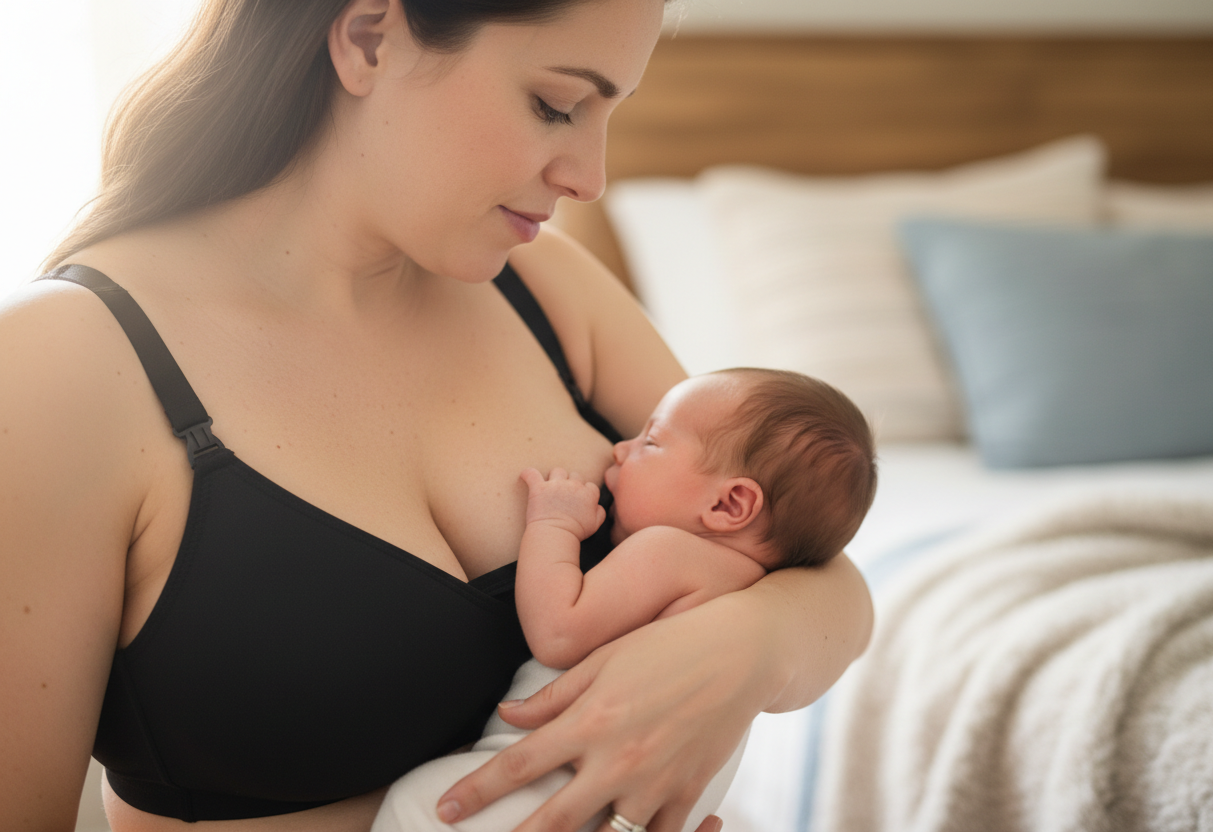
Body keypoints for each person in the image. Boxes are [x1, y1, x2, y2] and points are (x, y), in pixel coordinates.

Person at [0, 1, 874, 830]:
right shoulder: (62, 360)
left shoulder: (547, 287)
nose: (590, 178)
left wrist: (743, 648)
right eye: (557, 104)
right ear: (369, 38)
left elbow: (822, 570)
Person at [372, 368, 877, 831]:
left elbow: (559, 632)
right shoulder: (754, 582)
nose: (619, 448)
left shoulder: (668, 551)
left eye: (650, 441)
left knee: (418, 808)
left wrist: (554, 524)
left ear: (729, 504)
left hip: (557, 784)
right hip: (646, 808)